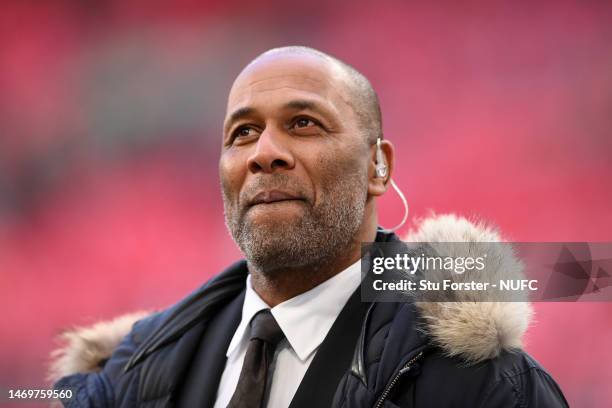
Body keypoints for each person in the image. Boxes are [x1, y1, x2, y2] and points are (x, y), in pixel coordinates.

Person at [49, 46, 568, 407]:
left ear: (377, 166)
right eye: (243, 133)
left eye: (303, 124)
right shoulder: (130, 376)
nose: (264, 154)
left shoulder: (484, 387)